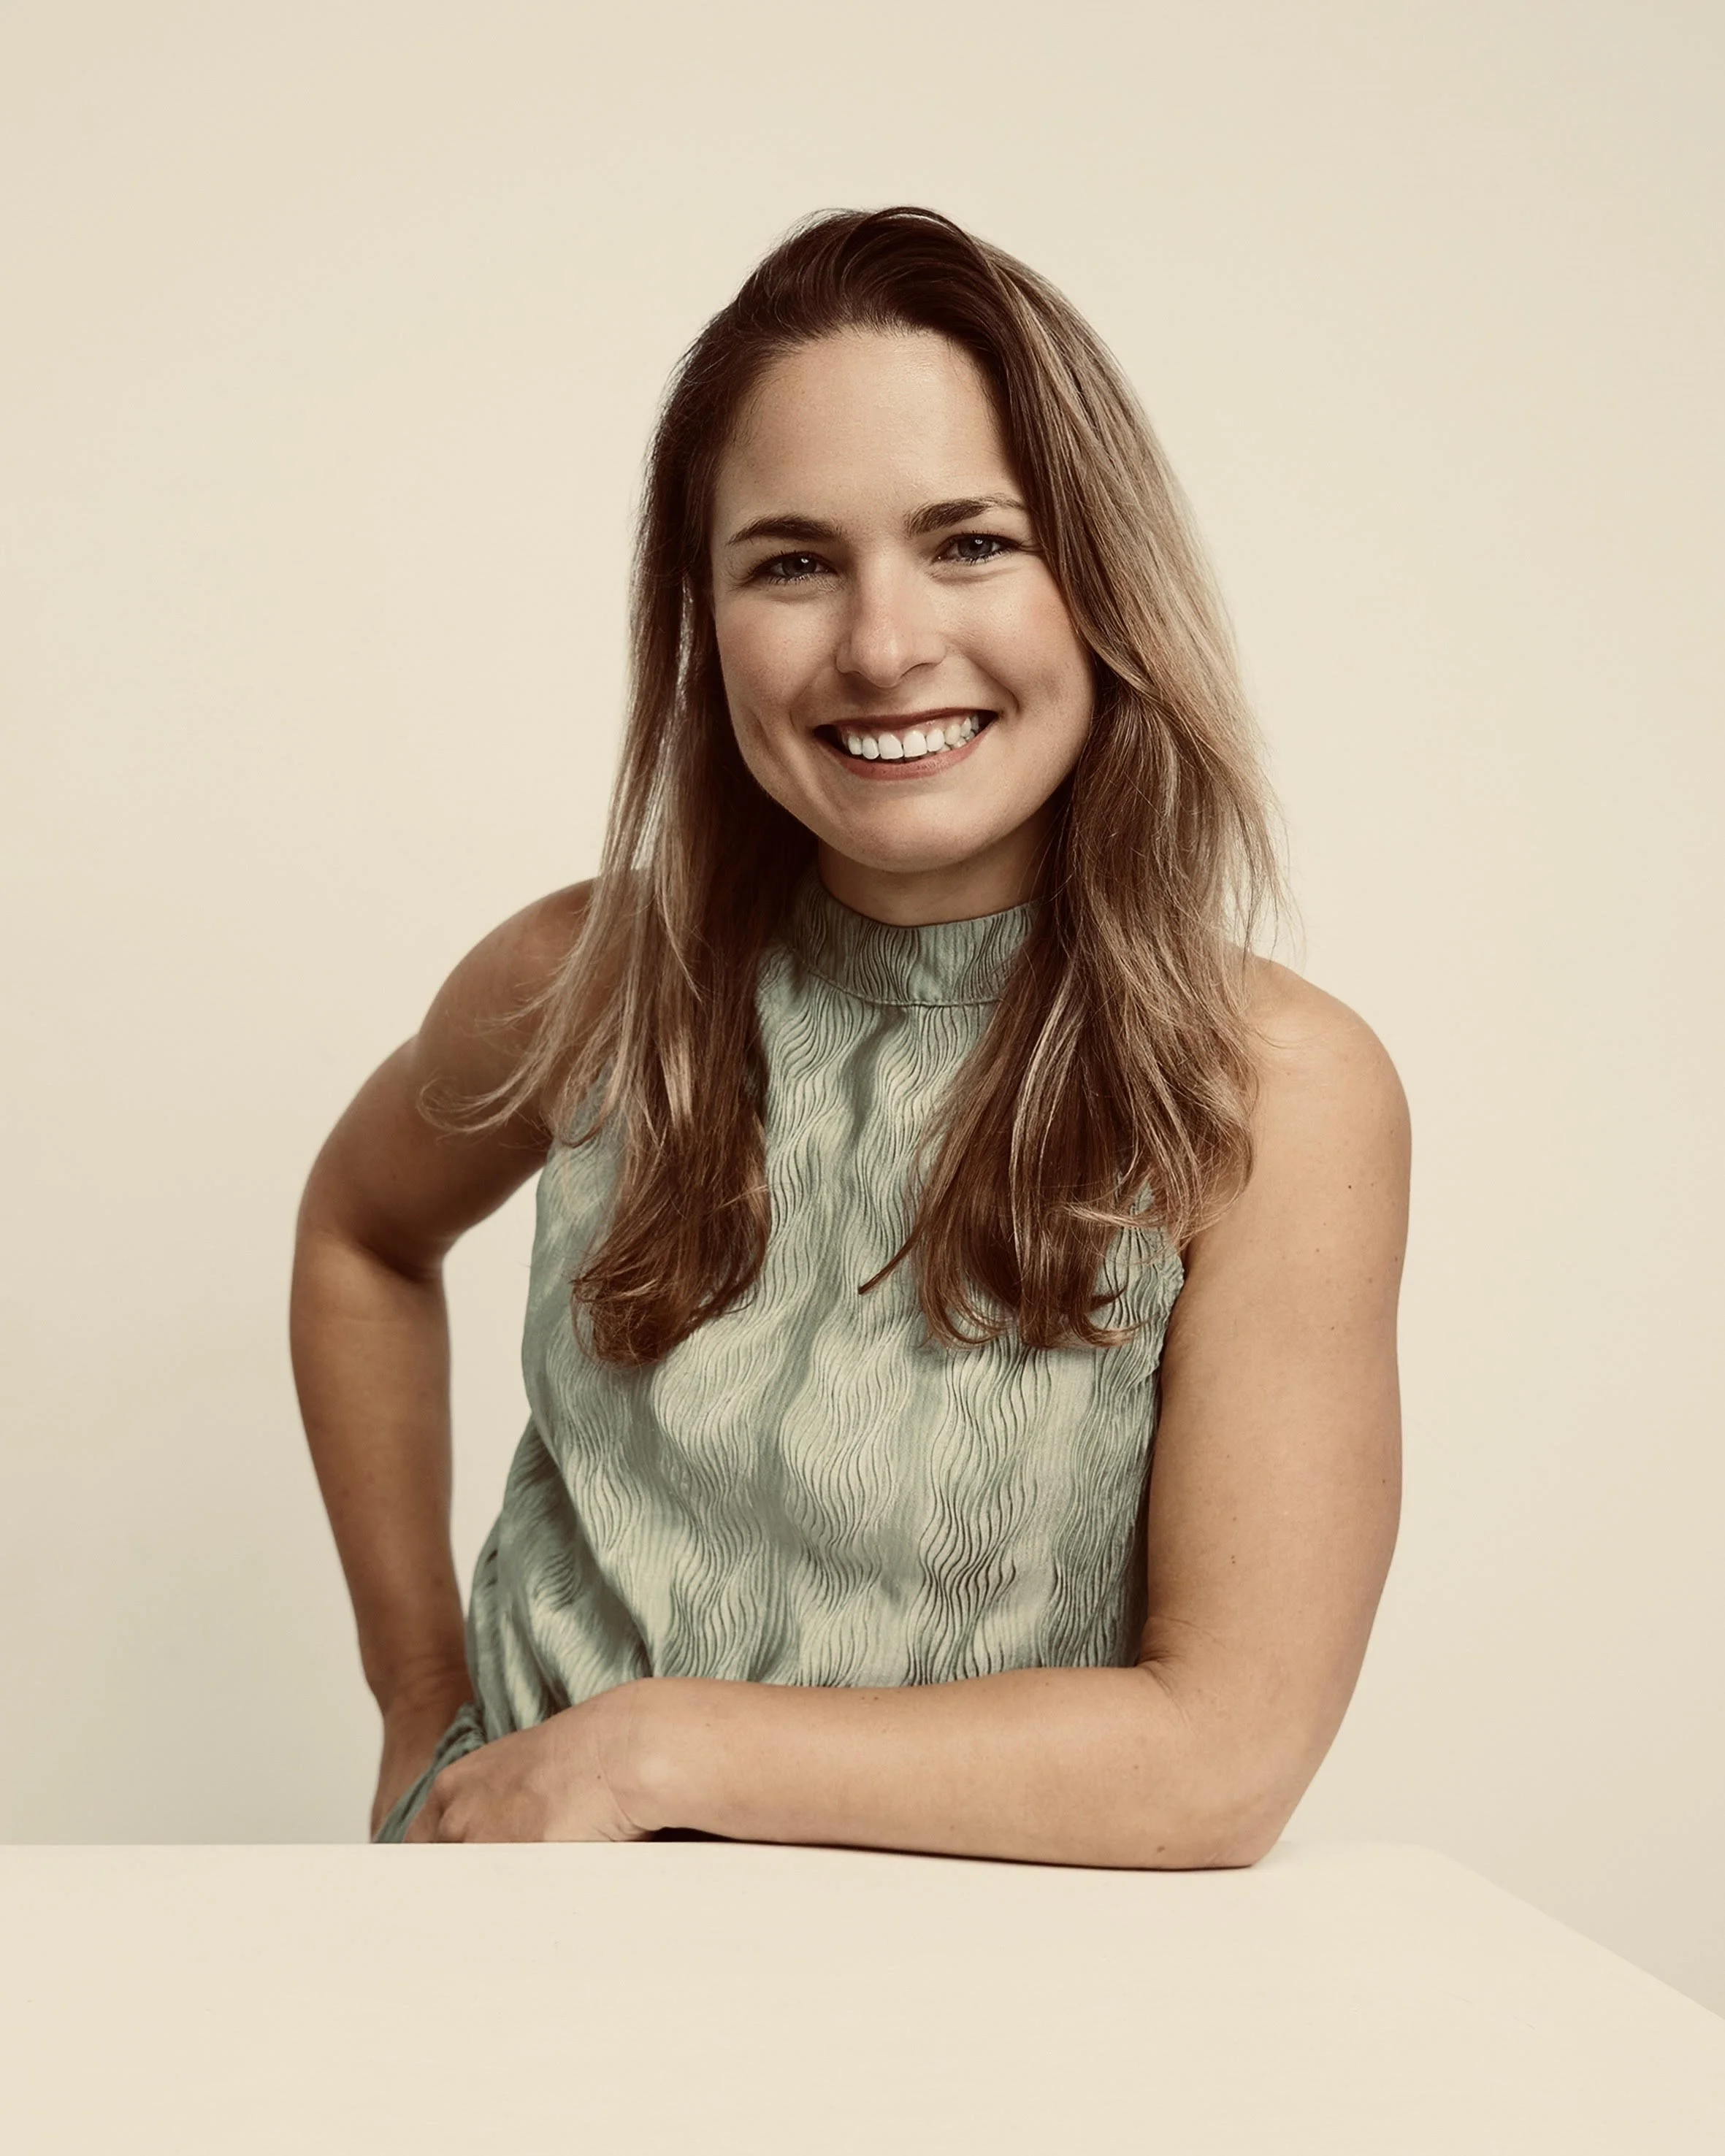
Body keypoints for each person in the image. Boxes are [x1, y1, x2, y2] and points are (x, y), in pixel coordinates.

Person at [290, 205, 1409, 1862]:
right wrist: (414, 1698)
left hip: (996, 2025)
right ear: (701, 616)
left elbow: (1218, 1759)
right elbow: (359, 1236)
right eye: (793, 562)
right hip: (520, 1976)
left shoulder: (1267, 1094)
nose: (884, 646)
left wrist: (654, 1756)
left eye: (969, 543)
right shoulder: (583, 983)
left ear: (1097, 583)